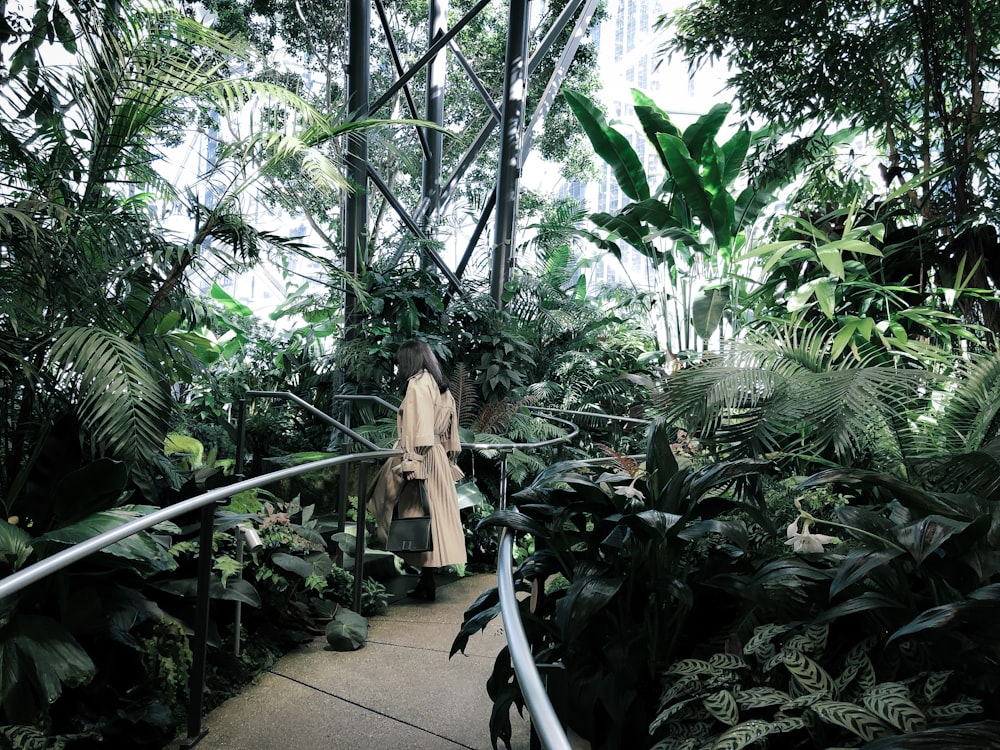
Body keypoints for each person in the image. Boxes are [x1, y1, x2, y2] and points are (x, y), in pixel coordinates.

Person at [369, 339, 467, 601]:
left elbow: (420, 428)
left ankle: (423, 579)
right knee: (431, 519)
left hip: (421, 459)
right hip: (436, 459)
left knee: (389, 505)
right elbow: (451, 431)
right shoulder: (440, 386)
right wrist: (449, 458)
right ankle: (427, 581)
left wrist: (412, 462)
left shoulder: (417, 384)